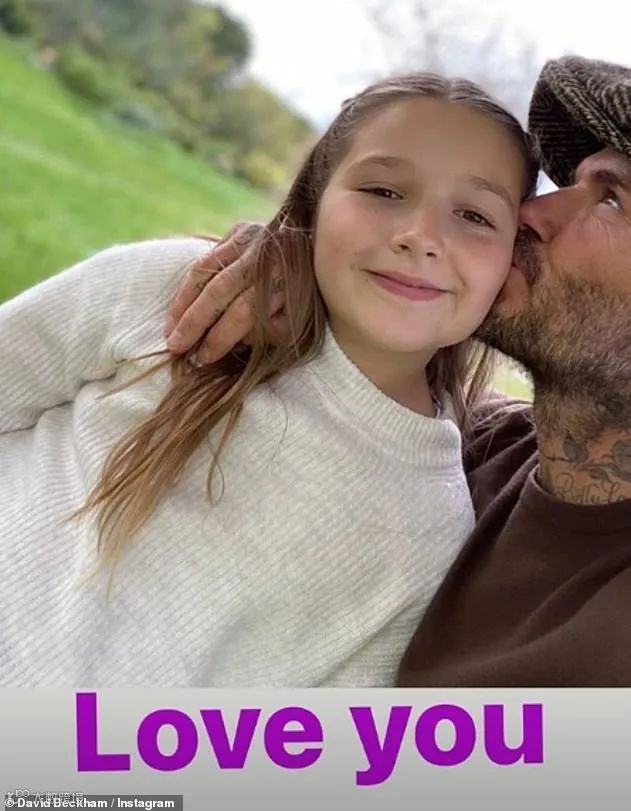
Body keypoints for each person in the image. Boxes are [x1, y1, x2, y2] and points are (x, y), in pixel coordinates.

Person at [0, 73, 539, 687]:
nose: (421, 236)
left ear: (512, 263)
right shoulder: (182, 293)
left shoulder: (432, 532)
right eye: (383, 190)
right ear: (315, 201)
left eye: (474, 215)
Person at [165, 55, 631, 687]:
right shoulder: (474, 446)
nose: (530, 213)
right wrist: (299, 261)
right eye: (570, 183)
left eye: (611, 199)